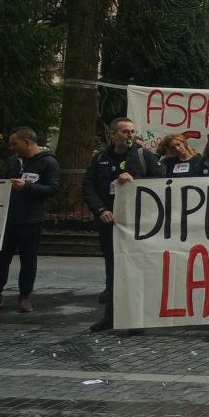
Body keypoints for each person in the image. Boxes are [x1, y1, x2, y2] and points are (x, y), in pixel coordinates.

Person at [82, 117, 164, 332]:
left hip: (138, 224)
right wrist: (101, 210)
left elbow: (162, 182)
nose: (130, 135)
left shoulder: (143, 156)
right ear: (112, 134)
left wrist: (135, 179)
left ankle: (137, 319)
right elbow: (88, 186)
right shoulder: (100, 158)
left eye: (132, 131)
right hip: (111, 223)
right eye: (125, 131)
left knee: (137, 269)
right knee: (113, 270)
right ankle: (112, 316)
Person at [0, 127, 59, 315]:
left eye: (14, 144)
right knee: (1, 259)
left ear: (27, 142)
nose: (11, 147)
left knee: (28, 260)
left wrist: (27, 187)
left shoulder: (48, 162)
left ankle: (24, 296)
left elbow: (53, 189)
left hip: (31, 220)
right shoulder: (13, 161)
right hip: (7, 218)